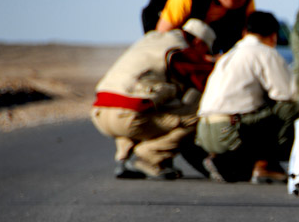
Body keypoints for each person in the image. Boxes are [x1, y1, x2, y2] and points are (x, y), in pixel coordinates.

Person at [91, 19, 216, 179]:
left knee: (154, 106)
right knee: (195, 117)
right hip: (128, 116)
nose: (204, 55)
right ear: (198, 42)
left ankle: (123, 158)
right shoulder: (179, 51)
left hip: (99, 113)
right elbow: (201, 78)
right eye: (205, 50)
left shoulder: (151, 40)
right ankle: (148, 158)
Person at [196, 11, 299, 183]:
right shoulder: (265, 52)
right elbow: (287, 94)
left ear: (245, 32)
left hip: (204, 131)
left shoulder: (229, 54)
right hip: (227, 131)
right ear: (273, 36)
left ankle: (231, 162)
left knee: (258, 111)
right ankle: (264, 164)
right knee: (289, 108)